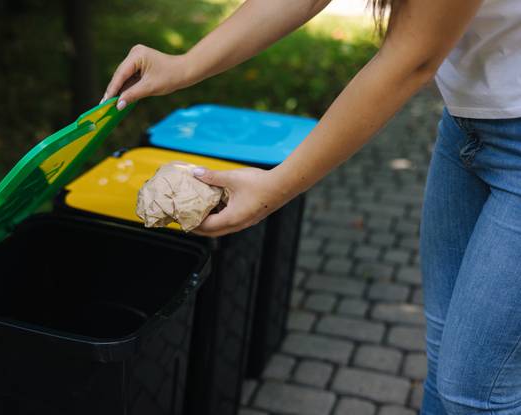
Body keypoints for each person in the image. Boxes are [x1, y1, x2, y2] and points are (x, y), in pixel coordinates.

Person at [101, 0, 521, 413]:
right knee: (445, 357)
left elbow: (412, 58)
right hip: (468, 126)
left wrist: (275, 186)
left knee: (474, 393)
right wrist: (185, 64)